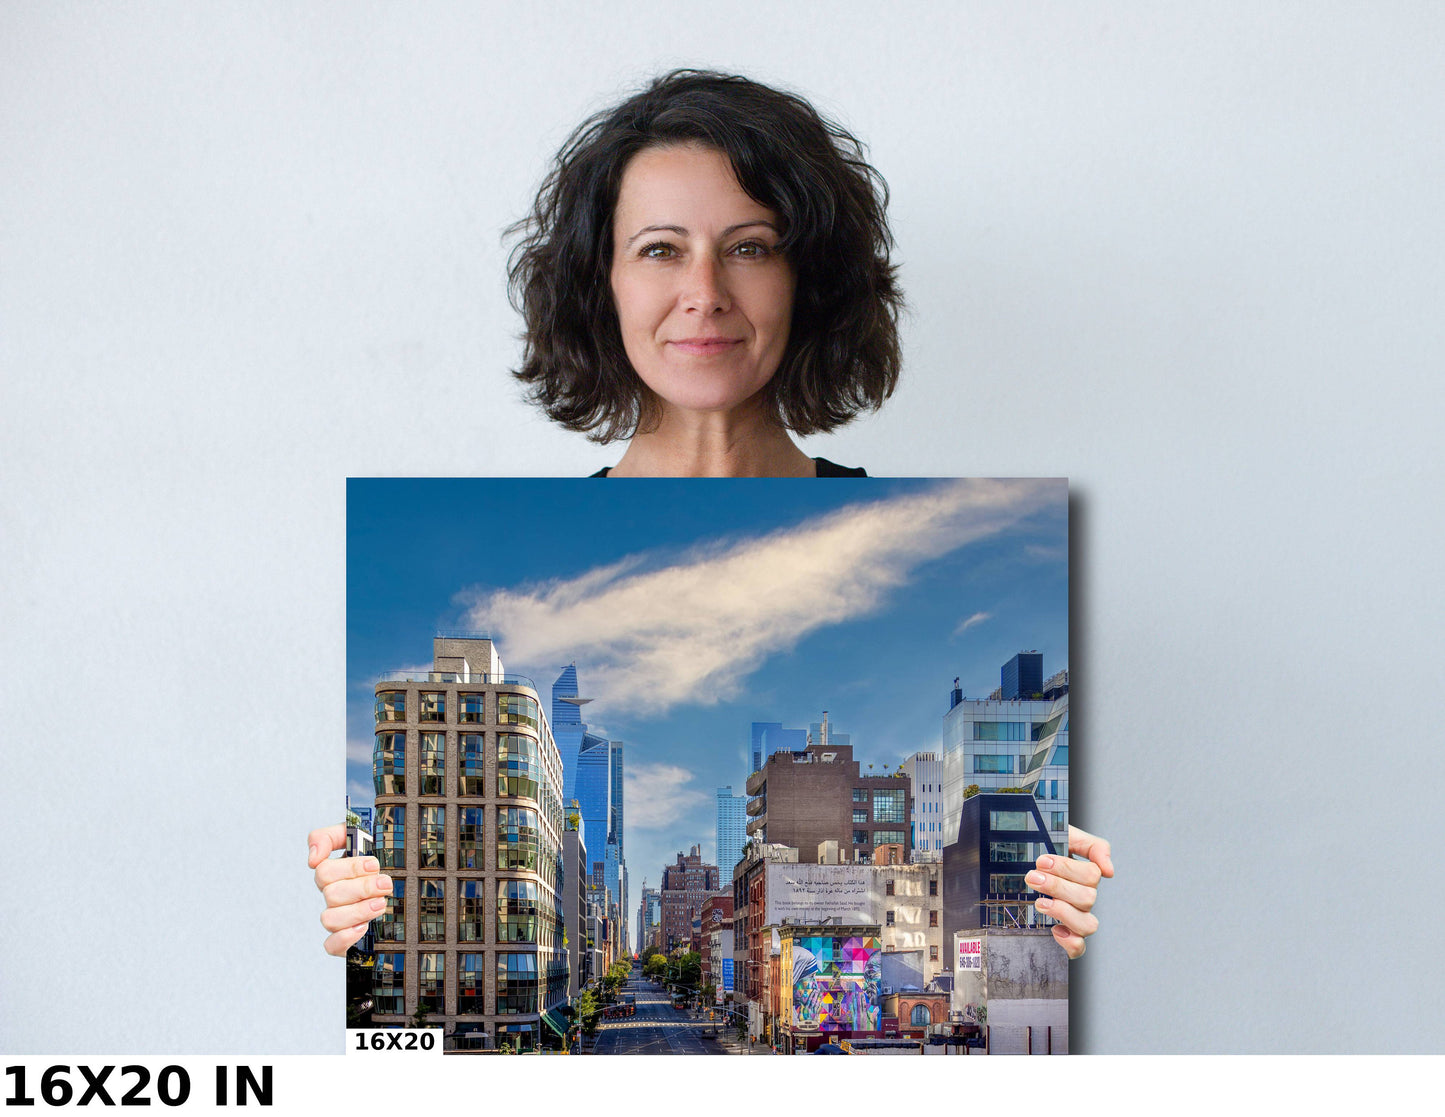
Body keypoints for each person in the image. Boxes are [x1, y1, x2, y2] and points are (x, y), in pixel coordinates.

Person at [311, 69, 1112, 962]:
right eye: (659, 249)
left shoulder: (923, 529)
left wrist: (1074, 919)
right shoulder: (531, 535)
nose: (705, 291)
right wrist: (357, 917)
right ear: (600, 283)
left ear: (808, 281)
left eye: (750, 246)